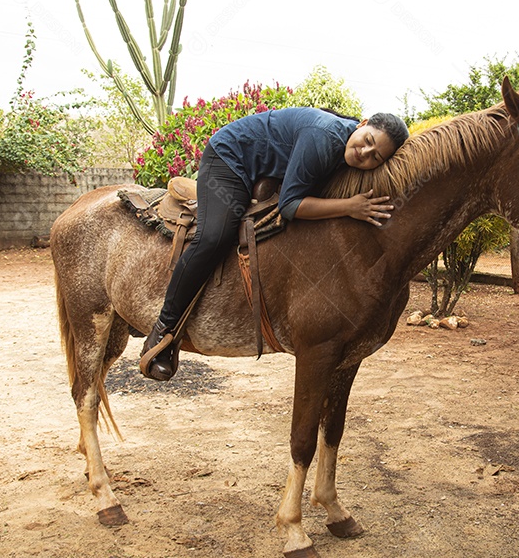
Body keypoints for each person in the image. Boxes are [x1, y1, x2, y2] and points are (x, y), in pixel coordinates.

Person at [140, 107, 409, 381]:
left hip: (264, 167)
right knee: (214, 237)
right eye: (368, 141)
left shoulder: (345, 148)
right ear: (362, 124)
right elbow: (290, 206)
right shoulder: (323, 138)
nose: (364, 153)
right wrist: (350, 207)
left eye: (375, 157)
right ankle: (162, 330)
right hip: (230, 159)